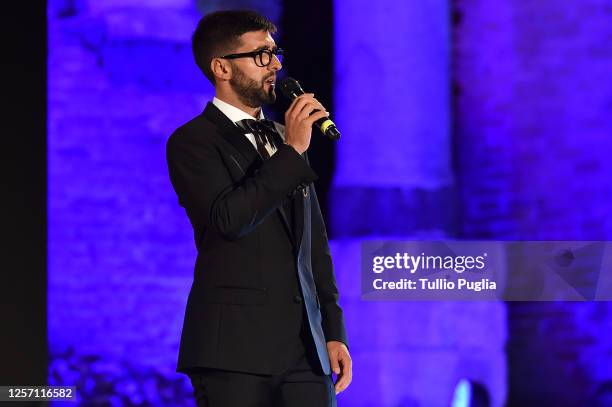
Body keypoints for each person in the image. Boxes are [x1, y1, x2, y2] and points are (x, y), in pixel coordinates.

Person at [165, 10, 351, 407]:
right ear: (222, 68)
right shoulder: (192, 142)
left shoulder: (285, 140)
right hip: (234, 352)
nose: (277, 65)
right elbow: (228, 219)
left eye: (275, 53)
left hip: (306, 352)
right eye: (262, 55)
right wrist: (292, 153)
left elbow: (313, 244)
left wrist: (333, 330)